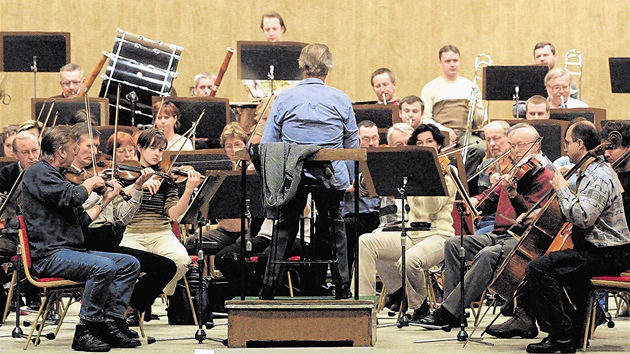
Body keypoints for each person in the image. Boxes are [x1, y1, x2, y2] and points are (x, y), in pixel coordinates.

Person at [419, 123, 555, 328]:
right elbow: (491, 197)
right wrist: (476, 200)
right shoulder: (514, 172)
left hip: (523, 241)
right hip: (499, 234)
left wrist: (514, 194)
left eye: (519, 145)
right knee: (455, 244)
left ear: (536, 145)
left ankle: (446, 312)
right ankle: (455, 312)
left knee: (487, 255)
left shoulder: (545, 176)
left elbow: (532, 217)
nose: (514, 151)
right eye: (512, 145)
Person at [21, 125, 141, 351]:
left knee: (129, 264)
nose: (78, 154)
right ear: (61, 151)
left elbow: (82, 220)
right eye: (74, 149)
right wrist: (91, 183)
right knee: (103, 267)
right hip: (50, 255)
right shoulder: (38, 172)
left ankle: (111, 322)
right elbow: (73, 196)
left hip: (71, 252)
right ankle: (87, 328)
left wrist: (105, 200)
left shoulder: (56, 177)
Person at [259, 43, 359, 300]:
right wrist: (346, 179)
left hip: (294, 177)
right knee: (334, 226)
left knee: (284, 227)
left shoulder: (284, 98)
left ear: (301, 67)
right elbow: (352, 145)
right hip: (332, 174)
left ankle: (269, 286)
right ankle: (343, 286)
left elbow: (269, 144)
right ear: (328, 68)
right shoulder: (341, 99)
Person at [523, 120, 630, 353]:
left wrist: (561, 188)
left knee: (539, 268)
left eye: (568, 143)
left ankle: (560, 335)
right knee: (558, 268)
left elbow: (583, 218)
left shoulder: (599, 176)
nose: (564, 149)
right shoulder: (589, 173)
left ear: (580, 144)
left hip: (609, 253)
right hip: (595, 249)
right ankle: (573, 332)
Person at [68, 123, 176, 328]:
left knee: (166, 266)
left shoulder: (104, 175)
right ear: (74, 147)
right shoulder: (71, 180)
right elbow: (77, 213)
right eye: (89, 146)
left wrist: (136, 188)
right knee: (127, 266)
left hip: (110, 241)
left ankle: (128, 307)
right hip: (87, 243)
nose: (95, 153)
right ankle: (113, 316)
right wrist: (98, 193)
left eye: (96, 147)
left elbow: (122, 218)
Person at [357, 123, 457, 320]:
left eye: (429, 141)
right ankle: (364, 305)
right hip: (412, 233)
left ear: (438, 145)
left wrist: (427, 176)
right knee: (365, 242)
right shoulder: (409, 171)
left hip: (439, 235)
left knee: (409, 260)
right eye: (419, 142)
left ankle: (419, 306)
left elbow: (432, 208)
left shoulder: (448, 170)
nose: (424, 145)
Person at [120, 129, 202, 297]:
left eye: (161, 149)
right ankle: (139, 301)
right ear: (140, 148)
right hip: (133, 233)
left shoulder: (165, 179)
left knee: (181, 261)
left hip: (161, 233)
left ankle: (158, 290)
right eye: (152, 148)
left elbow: (173, 215)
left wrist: (187, 190)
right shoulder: (126, 175)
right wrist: (139, 184)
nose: (157, 154)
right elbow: (116, 200)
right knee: (125, 265)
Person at [420, 45, 486, 177]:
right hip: (440, 135)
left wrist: (475, 109)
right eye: (448, 61)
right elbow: (425, 118)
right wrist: (443, 129)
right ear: (440, 63)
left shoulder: (471, 87)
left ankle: (462, 182)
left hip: (464, 134)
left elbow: (480, 121)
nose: (452, 65)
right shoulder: (430, 87)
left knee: (479, 148)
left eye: (455, 60)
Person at [185, 123, 248, 254]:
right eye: (228, 146)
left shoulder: (251, 171)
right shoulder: (224, 174)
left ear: (245, 145)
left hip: (249, 230)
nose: (233, 150)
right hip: (226, 230)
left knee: (235, 250)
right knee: (192, 241)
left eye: (237, 145)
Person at [0, 131, 42, 310]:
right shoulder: (7, 174)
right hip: (13, 232)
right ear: (15, 154)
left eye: (35, 150)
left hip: (41, 235)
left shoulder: (48, 173)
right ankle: (4, 297)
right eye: (25, 153)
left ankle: (33, 295)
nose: (32, 157)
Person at [343, 120, 382, 269]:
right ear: (357, 139)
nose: (371, 143)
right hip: (355, 215)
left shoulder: (384, 161)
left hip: (379, 215)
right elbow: (340, 187)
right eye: (366, 139)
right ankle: (345, 282)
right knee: (345, 228)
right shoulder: (347, 161)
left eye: (375, 138)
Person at [244, 12, 295, 99]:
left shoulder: (294, 55)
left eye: (275, 29)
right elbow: (249, 84)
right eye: (267, 30)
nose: (271, 33)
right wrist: (253, 93)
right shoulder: (254, 56)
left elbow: (299, 85)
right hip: (261, 104)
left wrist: (280, 91)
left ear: (282, 29)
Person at [472, 120, 512, 233]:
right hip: (481, 220)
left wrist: (500, 186)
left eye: (496, 138)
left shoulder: (516, 165)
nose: (492, 144)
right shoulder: (485, 165)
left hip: (500, 223)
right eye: (488, 139)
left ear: (509, 138)